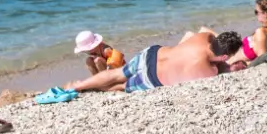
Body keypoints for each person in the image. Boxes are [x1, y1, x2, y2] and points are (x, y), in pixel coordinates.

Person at [68, 29, 244, 94]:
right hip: (152, 78)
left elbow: (207, 31)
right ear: (225, 56)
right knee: (121, 86)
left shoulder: (204, 36)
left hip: (152, 54)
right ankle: (92, 89)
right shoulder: (208, 71)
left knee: (117, 73)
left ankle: (79, 85)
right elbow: (217, 70)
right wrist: (228, 66)